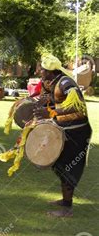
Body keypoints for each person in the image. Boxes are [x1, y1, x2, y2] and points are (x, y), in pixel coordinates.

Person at [33, 53, 92, 218]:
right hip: (64, 129)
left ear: (51, 72)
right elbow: (50, 99)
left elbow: (78, 106)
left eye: (42, 70)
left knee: (68, 167)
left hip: (77, 131)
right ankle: (65, 201)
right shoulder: (51, 82)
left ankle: (67, 208)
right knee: (58, 164)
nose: (39, 72)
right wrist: (38, 104)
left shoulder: (66, 83)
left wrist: (51, 112)